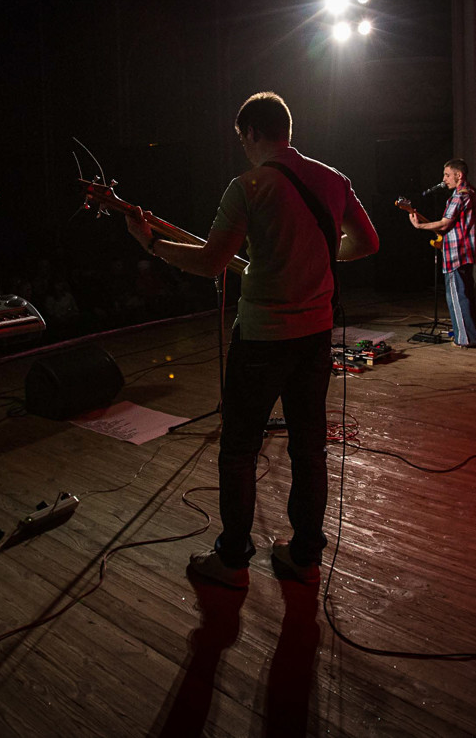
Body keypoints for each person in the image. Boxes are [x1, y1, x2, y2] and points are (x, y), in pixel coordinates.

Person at [124, 92, 379, 588]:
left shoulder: (247, 187)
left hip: (262, 339)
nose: (243, 147)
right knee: (309, 449)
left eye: (242, 138)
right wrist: (316, 254)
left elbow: (210, 263)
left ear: (254, 132)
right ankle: (304, 556)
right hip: (316, 336)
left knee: (240, 450)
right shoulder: (333, 179)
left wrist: (150, 242)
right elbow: (368, 242)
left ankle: (233, 561)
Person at [408, 158, 476, 347]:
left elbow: (444, 224)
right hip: (467, 251)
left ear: (459, 175)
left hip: (455, 253)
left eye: (447, 175)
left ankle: (464, 339)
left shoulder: (459, 196)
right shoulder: (472, 192)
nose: (444, 179)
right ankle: (470, 335)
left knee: (456, 297)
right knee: (465, 296)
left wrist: (419, 226)